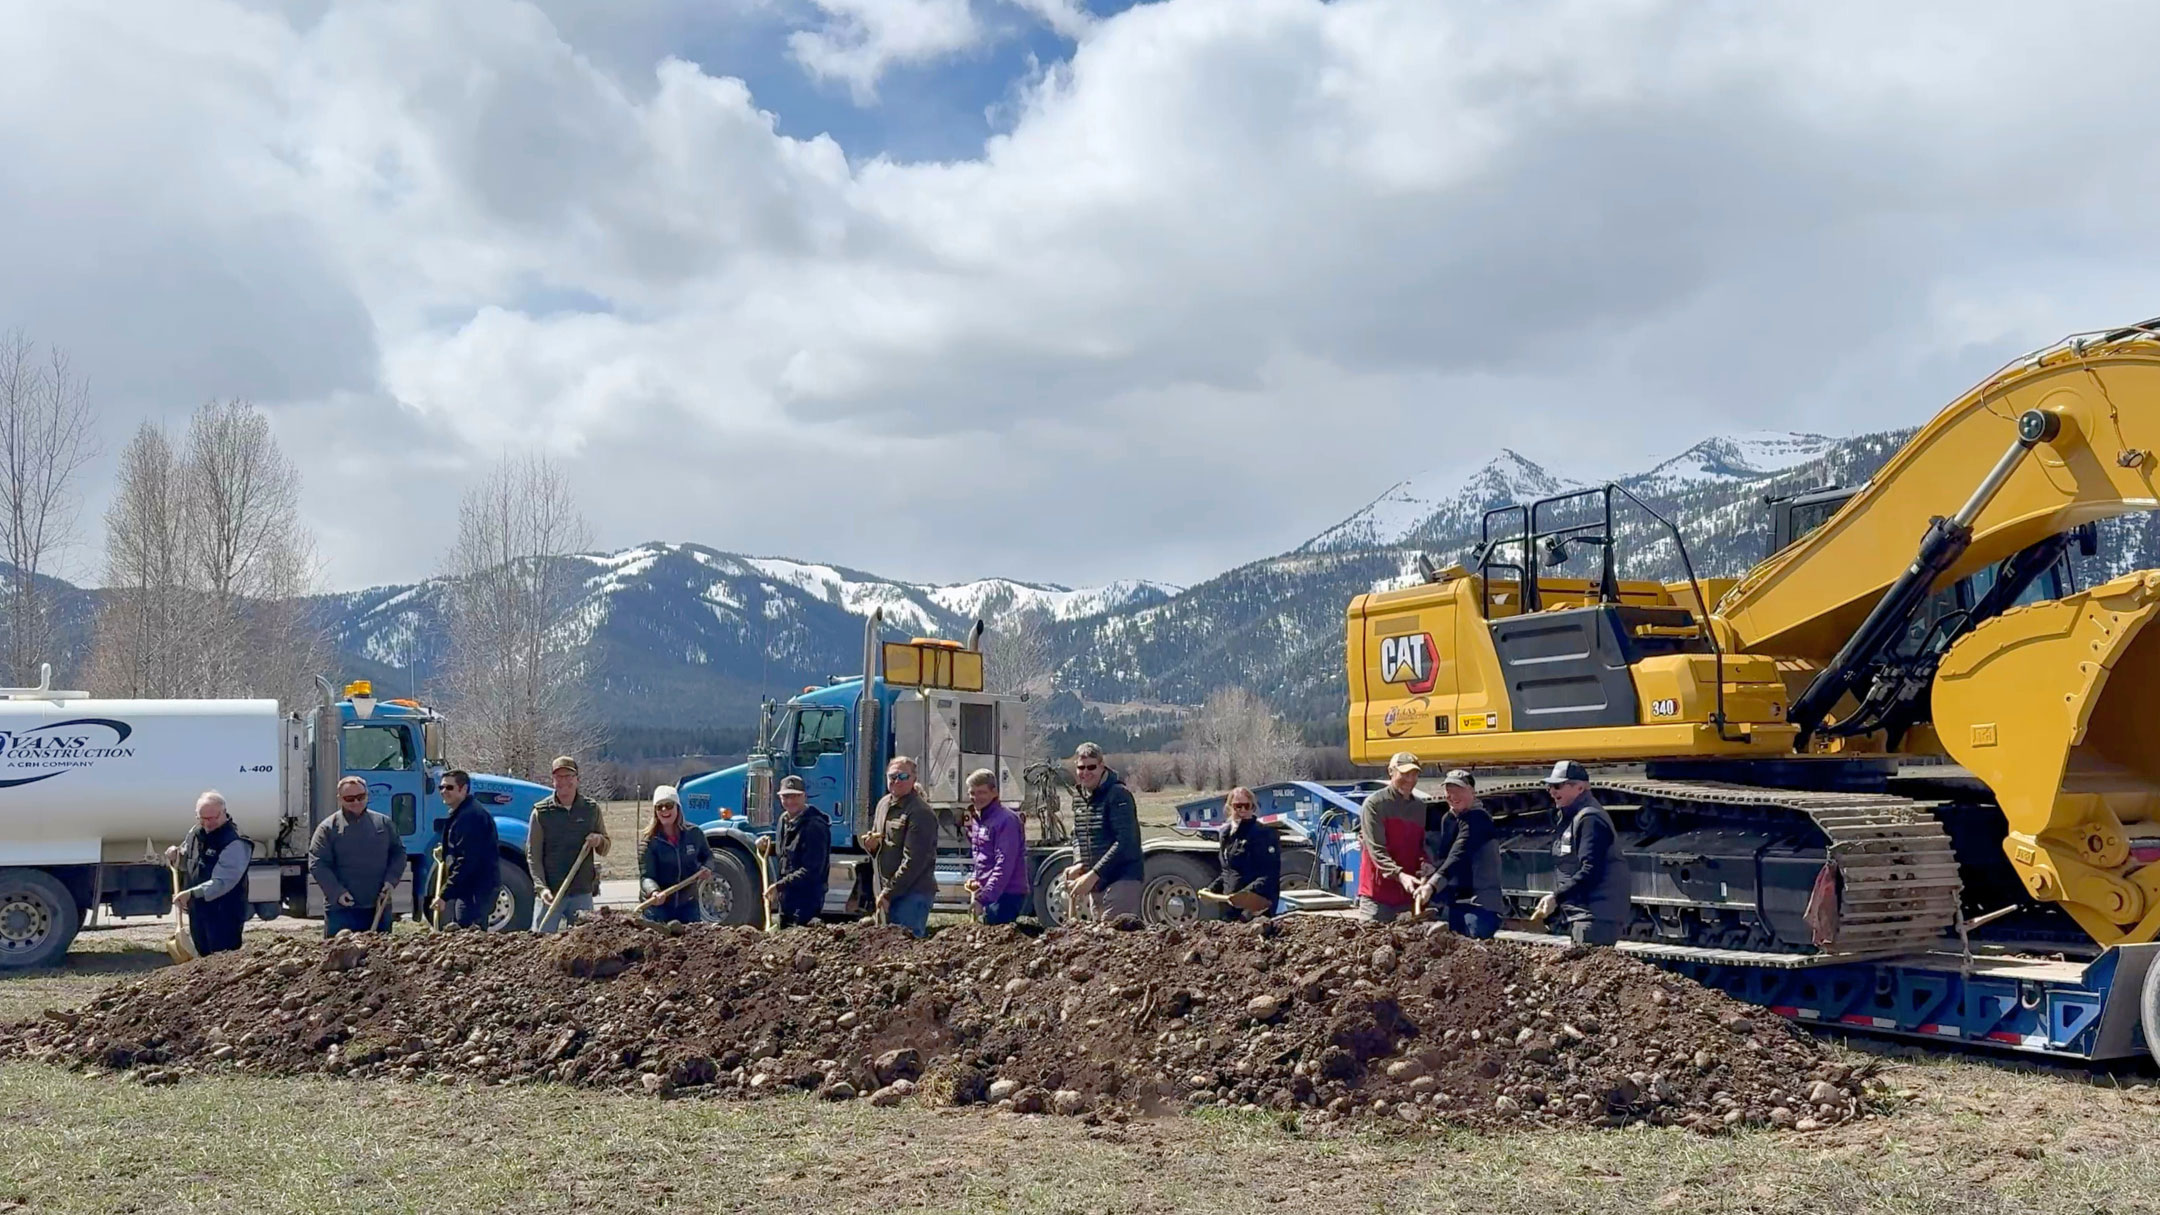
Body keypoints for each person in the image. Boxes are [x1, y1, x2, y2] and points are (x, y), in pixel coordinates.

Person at [1533, 760, 1631, 945]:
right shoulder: (1574, 817)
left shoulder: (1590, 819)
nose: (1552, 792)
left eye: (1557, 786)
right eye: (1549, 787)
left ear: (1579, 788)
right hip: (1585, 914)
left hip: (1594, 915)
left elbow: (1591, 871)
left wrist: (1557, 897)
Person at [309, 776, 408, 937]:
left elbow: (398, 853)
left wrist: (391, 881)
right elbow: (318, 864)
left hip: (378, 906)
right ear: (340, 799)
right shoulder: (328, 828)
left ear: (367, 795)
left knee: (378, 957)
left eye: (360, 797)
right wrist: (337, 892)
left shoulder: (383, 823)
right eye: (349, 799)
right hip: (342, 910)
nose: (356, 802)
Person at [164, 790, 254, 956]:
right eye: (202, 818)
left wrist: (192, 893)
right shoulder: (196, 832)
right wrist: (176, 856)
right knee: (202, 957)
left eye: (212, 818)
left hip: (224, 914)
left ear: (224, 813)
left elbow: (223, 882)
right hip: (198, 910)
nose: (207, 823)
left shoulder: (235, 842)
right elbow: (187, 859)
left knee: (222, 960)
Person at [527, 755, 610, 933]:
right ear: (553, 781)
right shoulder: (541, 812)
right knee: (540, 942)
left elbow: (606, 846)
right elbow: (533, 856)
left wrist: (598, 840)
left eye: (569, 776)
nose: (564, 781)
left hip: (582, 892)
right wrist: (542, 889)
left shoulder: (590, 809)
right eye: (559, 777)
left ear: (577, 780)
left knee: (585, 945)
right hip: (551, 893)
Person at [1063, 742, 1142, 921]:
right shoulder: (1079, 797)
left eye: (1091, 767)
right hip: (1097, 882)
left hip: (1122, 878)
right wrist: (1079, 863)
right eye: (1081, 768)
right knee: (1099, 939)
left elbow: (1126, 842)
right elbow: (1077, 835)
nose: (1086, 772)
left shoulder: (1118, 795)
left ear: (1101, 766)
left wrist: (1093, 874)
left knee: (1114, 934)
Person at [1422, 768, 1503, 939]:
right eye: (1449, 791)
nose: (1453, 796)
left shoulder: (1479, 819)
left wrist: (1432, 884)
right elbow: (1445, 856)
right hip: (1456, 904)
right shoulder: (1449, 819)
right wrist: (1431, 869)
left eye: (1459, 790)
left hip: (1480, 906)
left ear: (1472, 792)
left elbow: (1458, 854)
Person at [864, 756, 938, 937]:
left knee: (907, 950)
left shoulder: (920, 812)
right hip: (888, 891)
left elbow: (914, 861)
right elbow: (880, 845)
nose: (896, 781)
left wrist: (889, 893)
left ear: (914, 779)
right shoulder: (883, 804)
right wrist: (872, 846)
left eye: (903, 776)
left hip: (912, 894)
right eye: (892, 776)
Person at [1357, 752, 1429, 923]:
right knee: (1371, 943)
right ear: (1391, 772)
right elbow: (1377, 850)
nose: (1410, 780)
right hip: (1377, 896)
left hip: (1407, 895)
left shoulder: (1420, 808)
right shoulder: (1375, 805)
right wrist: (1400, 875)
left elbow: (1422, 845)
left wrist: (1426, 862)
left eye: (1414, 774)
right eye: (1404, 774)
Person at [430, 768, 499, 930]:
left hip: (476, 890)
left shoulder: (471, 816)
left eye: (449, 787)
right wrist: (447, 853)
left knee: (470, 935)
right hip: (469, 889)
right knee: (463, 932)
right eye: (441, 787)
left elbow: (467, 860)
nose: (443, 791)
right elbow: (462, 850)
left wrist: (443, 895)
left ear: (464, 789)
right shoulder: (462, 813)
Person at [639, 785, 714, 924]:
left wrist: (707, 867)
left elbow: (708, 856)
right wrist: (653, 891)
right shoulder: (649, 842)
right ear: (655, 811)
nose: (664, 810)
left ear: (677, 808)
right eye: (659, 806)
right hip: (658, 908)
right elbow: (646, 876)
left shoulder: (694, 833)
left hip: (688, 905)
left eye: (669, 805)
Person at [962, 769, 1029, 926]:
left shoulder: (1006, 820)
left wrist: (984, 898)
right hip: (990, 892)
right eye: (972, 793)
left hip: (1006, 893)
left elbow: (1004, 863)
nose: (976, 798)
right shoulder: (979, 820)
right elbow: (983, 857)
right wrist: (976, 879)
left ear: (995, 792)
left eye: (981, 792)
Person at [765, 775, 831, 928]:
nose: (790, 801)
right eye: (785, 797)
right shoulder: (784, 820)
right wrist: (768, 847)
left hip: (806, 899)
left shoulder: (815, 827)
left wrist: (779, 886)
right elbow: (787, 851)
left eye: (795, 796)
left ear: (804, 797)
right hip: (787, 898)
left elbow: (811, 870)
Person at [1209, 786, 1280, 922]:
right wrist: (1211, 889)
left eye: (1246, 806)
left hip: (1254, 909)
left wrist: (1244, 896)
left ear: (1253, 807)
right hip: (1229, 907)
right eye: (1238, 806)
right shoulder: (1225, 834)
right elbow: (1228, 871)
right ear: (1230, 807)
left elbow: (1269, 875)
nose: (1242, 810)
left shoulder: (1263, 834)